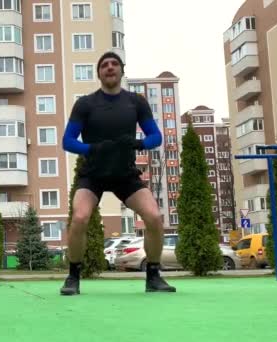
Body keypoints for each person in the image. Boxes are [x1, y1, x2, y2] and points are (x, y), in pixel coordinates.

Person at [60, 51, 176, 295]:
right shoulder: (85, 104)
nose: (110, 68)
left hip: (125, 174)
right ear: (99, 73)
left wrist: (139, 144)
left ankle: (153, 276)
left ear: (122, 70)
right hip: (92, 174)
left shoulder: (136, 102)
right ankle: (73, 276)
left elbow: (156, 136)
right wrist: (90, 148)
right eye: (104, 65)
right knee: (79, 217)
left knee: (154, 217)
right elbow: (68, 141)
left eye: (114, 64)